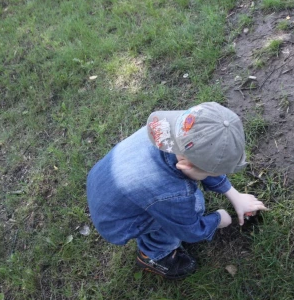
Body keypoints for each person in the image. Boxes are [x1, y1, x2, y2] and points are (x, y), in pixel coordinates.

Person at [87, 102, 267, 280]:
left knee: (191, 190)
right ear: (185, 165)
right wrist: (218, 220)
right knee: (195, 206)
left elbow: (201, 163)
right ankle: (153, 254)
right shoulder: (173, 194)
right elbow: (189, 231)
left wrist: (234, 195)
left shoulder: (171, 133)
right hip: (116, 223)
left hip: (104, 184)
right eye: (214, 173)